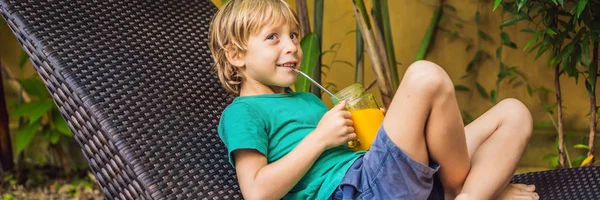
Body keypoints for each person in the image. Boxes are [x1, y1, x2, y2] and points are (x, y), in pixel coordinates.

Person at [209, 0, 539, 199]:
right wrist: (320, 138)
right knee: (425, 76)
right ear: (237, 55)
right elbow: (256, 192)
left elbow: (350, 153)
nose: (292, 46)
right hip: (354, 191)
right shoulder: (244, 112)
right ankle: (471, 192)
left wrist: (379, 131)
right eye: (273, 38)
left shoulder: (306, 101)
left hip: (376, 175)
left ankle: (466, 195)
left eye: (293, 35)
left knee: (514, 112)